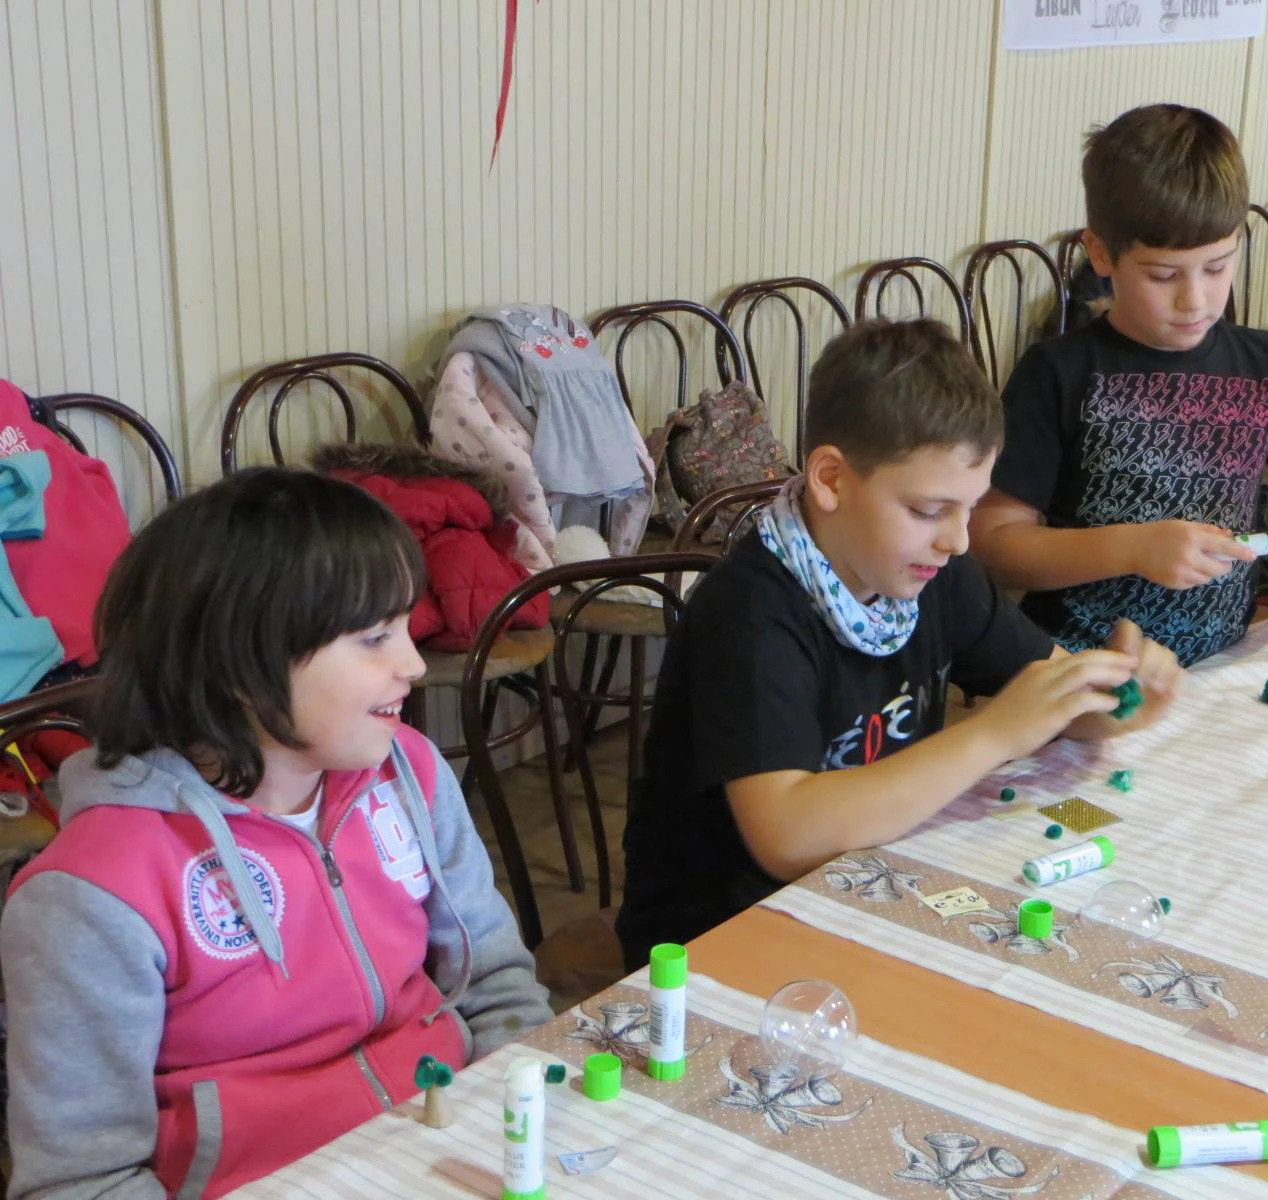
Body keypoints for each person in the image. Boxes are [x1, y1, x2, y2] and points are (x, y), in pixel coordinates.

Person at [1, 468, 551, 1198]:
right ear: (241, 664)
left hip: (447, 1146)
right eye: (374, 638)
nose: (414, 664)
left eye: (403, 627)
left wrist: (520, 1112)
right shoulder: (92, 894)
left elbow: (494, 980)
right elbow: (82, 1183)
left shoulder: (409, 773)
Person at [614, 319, 1180, 969]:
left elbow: (1054, 699)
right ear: (832, 479)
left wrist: (1116, 694)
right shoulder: (749, 614)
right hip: (722, 938)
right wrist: (994, 734)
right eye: (929, 510)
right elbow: (787, 836)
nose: (958, 540)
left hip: (864, 885)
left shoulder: (931, 573)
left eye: (969, 508)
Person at [969, 104, 1268, 667]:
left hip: (1219, 662)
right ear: (1101, 253)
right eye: (1163, 275)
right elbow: (994, 544)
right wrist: (1132, 548)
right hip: (1079, 668)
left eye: (1217, 267)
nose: (1195, 300)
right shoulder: (1057, 373)